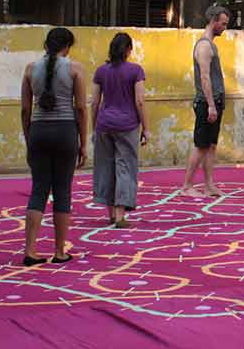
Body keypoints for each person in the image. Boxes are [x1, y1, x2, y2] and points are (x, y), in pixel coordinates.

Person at [20, 27, 88, 266]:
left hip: (38, 131)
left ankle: (30, 250)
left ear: (45, 45)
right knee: (63, 191)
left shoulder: (30, 69)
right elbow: (80, 108)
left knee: (38, 190)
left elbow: (26, 110)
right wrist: (83, 143)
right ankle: (59, 251)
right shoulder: (75, 69)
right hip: (65, 132)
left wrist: (29, 139)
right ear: (67, 47)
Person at [91, 32, 148, 229]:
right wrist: (146, 128)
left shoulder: (101, 71)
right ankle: (120, 216)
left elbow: (95, 102)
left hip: (104, 124)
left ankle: (110, 214)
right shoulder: (135, 71)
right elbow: (139, 101)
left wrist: (93, 126)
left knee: (106, 168)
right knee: (125, 168)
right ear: (129, 50)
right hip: (128, 125)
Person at [179, 5, 230, 197]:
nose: (225, 27)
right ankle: (187, 186)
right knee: (201, 145)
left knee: (211, 145)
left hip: (215, 101)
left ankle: (209, 185)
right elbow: (205, 78)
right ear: (214, 21)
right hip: (206, 103)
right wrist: (210, 105)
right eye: (223, 23)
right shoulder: (204, 46)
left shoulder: (210, 45)